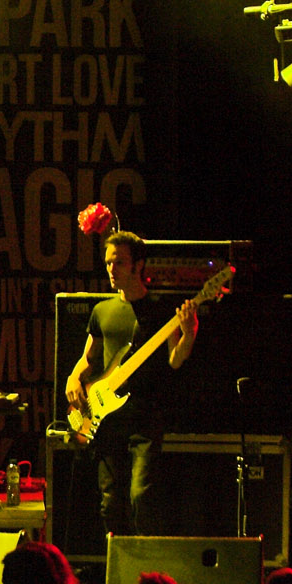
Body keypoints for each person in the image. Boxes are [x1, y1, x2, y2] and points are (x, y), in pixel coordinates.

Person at [63, 227, 198, 536]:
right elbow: (88, 358)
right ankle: (117, 561)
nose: (112, 269)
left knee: (141, 497)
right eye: (109, 262)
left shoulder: (161, 311)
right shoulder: (102, 310)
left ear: (139, 265)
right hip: (107, 421)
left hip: (145, 420)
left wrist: (189, 334)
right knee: (110, 503)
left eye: (120, 262)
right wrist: (73, 377)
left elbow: (174, 360)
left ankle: (144, 561)